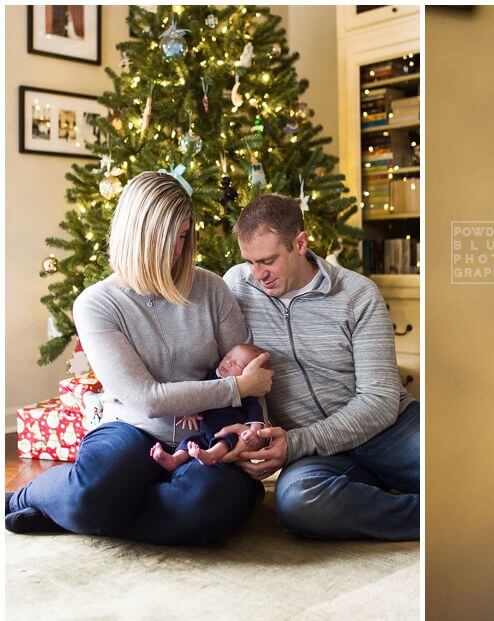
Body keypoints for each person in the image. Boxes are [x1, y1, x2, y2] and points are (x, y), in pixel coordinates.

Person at [5, 171, 271, 544]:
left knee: (206, 506)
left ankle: (90, 516)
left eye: (183, 235)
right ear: (139, 236)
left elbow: (250, 372)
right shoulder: (97, 304)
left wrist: (250, 429)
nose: (179, 249)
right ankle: (28, 497)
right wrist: (235, 388)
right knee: (90, 494)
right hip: (129, 429)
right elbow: (147, 399)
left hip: (204, 435)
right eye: (169, 238)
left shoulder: (210, 287)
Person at [222, 194, 419, 540]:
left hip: (388, 431)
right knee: (299, 502)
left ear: (300, 243)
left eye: (268, 260)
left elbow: (380, 398)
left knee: (472, 473)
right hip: (319, 453)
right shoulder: (238, 287)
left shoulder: (357, 295)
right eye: (250, 261)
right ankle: (431, 517)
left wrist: (297, 443)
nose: (258, 274)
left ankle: (435, 507)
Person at [148, 342, 273, 470]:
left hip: (229, 432)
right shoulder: (212, 376)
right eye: (228, 357)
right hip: (206, 433)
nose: (229, 363)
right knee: (189, 442)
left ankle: (209, 455)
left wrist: (253, 431)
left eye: (238, 364)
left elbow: (255, 412)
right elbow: (201, 394)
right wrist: (193, 411)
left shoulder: (248, 394)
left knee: (225, 441)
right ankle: (174, 460)